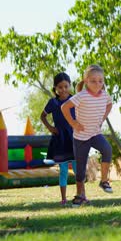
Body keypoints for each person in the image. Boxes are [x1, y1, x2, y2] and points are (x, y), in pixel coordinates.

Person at [61, 64, 113, 207]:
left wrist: (103, 118)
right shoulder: (81, 96)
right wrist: (73, 123)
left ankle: (104, 181)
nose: (97, 84)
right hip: (81, 137)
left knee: (107, 150)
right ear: (86, 81)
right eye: (93, 81)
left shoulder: (104, 95)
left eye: (100, 81)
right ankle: (80, 195)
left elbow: (109, 104)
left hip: (95, 133)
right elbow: (64, 107)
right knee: (81, 168)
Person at [40, 72, 77, 206]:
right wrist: (50, 128)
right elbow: (42, 116)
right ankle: (63, 198)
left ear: (70, 86)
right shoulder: (53, 102)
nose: (63, 90)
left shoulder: (74, 100)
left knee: (78, 169)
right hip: (60, 139)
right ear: (55, 88)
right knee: (63, 170)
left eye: (66, 86)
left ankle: (80, 195)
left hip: (74, 139)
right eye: (60, 87)